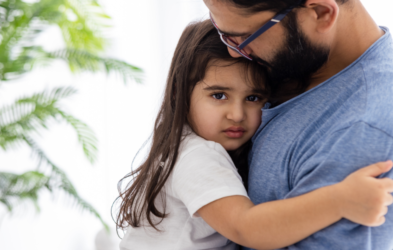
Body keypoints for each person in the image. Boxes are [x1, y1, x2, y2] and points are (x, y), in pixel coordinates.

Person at [115, 20, 393, 250]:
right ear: (181, 94)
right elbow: (245, 227)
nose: (236, 114)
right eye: (219, 95)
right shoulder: (198, 157)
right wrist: (339, 201)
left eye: (253, 97)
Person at [204, 0, 393, 249]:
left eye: (245, 36)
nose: (232, 51)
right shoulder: (295, 59)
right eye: (220, 29)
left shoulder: (358, 129)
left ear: (321, 13)